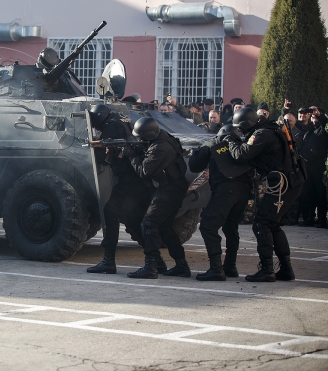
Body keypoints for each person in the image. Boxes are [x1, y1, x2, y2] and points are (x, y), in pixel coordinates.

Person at [226, 108, 305, 282]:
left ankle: (267, 269)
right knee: (272, 224)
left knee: (262, 224)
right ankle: (285, 269)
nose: (241, 131)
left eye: (241, 128)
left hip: (283, 185)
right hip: (288, 183)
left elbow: (242, 154)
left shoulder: (263, 134)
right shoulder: (268, 129)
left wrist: (231, 141)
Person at [86, 105, 156, 274]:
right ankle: (155, 261)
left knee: (110, 211)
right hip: (138, 178)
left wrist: (104, 155)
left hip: (130, 178)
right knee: (133, 219)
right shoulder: (123, 121)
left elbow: (105, 154)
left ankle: (108, 260)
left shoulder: (111, 127)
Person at [124, 117, 191, 279]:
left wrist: (132, 155)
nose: (139, 139)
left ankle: (151, 266)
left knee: (149, 223)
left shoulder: (161, 148)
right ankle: (181, 265)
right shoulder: (162, 138)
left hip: (170, 190)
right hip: (172, 188)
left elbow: (144, 171)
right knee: (164, 227)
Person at [189, 125, 253, 280]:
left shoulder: (215, 144)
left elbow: (194, 165)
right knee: (231, 227)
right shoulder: (242, 146)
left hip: (226, 191)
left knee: (208, 226)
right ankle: (230, 266)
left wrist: (203, 148)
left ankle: (216, 269)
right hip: (243, 191)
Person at [297, 106, 328, 227]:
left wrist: (320, 115)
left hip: (319, 166)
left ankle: (321, 219)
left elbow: (326, 124)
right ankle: (308, 218)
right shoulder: (309, 129)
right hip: (307, 166)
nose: (313, 117)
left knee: (320, 194)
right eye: (312, 115)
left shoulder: (323, 130)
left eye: (316, 116)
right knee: (308, 193)